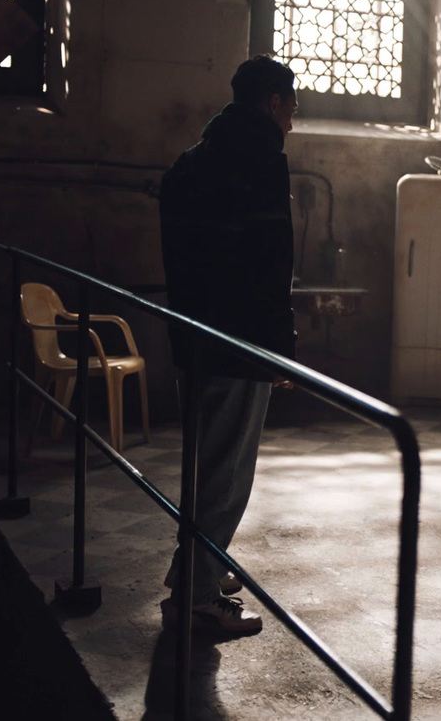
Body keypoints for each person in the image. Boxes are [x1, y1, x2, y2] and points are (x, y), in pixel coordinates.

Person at [157, 56, 300, 635]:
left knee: (204, 464)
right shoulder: (260, 160)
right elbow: (269, 262)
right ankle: (196, 601)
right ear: (272, 102)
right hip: (236, 342)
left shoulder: (195, 160)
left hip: (193, 332)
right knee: (226, 471)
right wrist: (277, 349)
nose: (295, 114)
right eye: (292, 102)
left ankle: (195, 570)